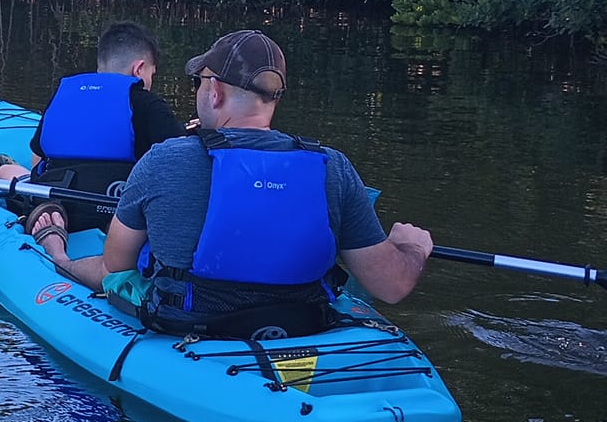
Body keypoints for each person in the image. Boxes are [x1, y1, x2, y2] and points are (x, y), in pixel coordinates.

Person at [85, 29, 433, 339]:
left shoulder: (163, 160)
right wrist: (412, 247)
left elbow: (115, 266)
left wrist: (63, 254)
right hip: (301, 327)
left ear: (215, 91)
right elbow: (392, 286)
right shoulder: (333, 168)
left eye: (198, 82)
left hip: (189, 326)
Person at [0, 22, 188, 268]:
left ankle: (48, 220)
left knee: (6, 169)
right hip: (115, 208)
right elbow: (182, 161)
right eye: (152, 73)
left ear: (100, 68)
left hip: (61, 199)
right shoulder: (148, 104)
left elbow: (37, 159)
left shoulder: (64, 94)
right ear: (139, 69)